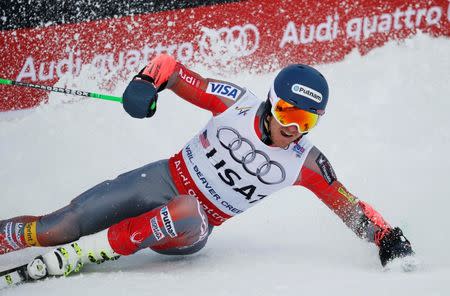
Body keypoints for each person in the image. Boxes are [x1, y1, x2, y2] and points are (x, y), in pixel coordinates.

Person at [0, 54, 414, 279]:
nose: (294, 129)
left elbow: (350, 207)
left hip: (194, 226)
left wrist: (386, 237)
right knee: (56, 226)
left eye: (307, 122)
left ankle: (80, 255)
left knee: (186, 209)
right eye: (288, 114)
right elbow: (172, 69)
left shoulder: (306, 162)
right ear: (271, 102)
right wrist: (146, 82)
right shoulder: (236, 102)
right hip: (162, 178)